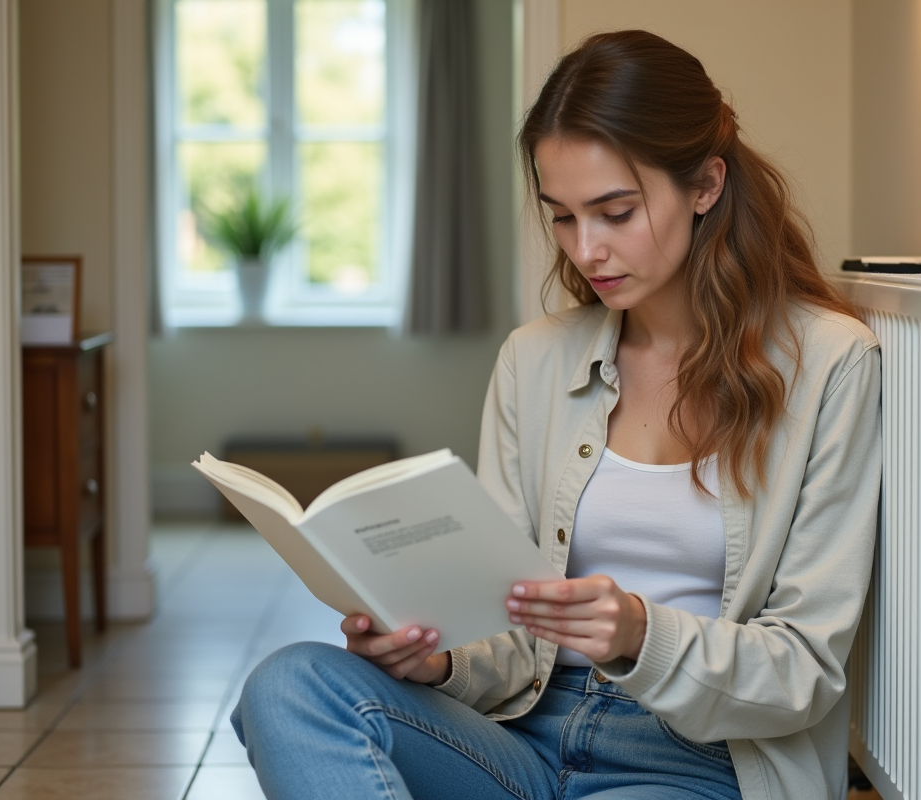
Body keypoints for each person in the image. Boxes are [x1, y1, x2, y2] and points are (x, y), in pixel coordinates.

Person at [232, 29, 881, 800]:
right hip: (525, 739)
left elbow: (804, 672)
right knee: (289, 685)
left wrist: (640, 632)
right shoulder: (534, 360)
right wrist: (438, 662)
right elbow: (508, 632)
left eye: (614, 212)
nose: (586, 250)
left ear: (705, 184)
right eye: (564, 217)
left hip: (697, 760)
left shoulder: (829, 363)